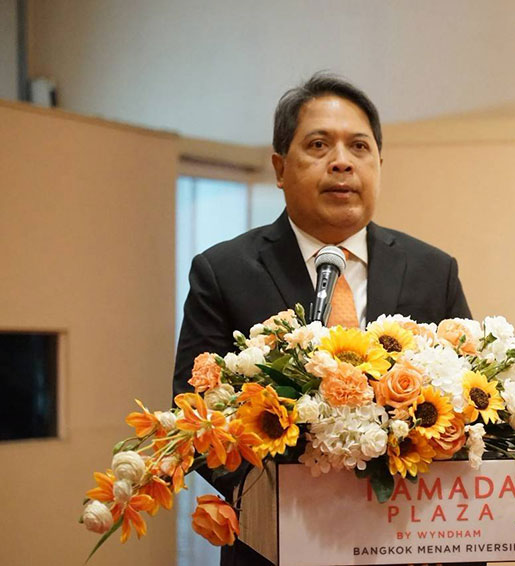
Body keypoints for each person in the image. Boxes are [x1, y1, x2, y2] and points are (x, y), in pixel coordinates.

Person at [173, 72, 472, 565]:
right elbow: (195, 415)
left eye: (359, 147)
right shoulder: (224, 271)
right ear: (279, 168)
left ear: (378, 164)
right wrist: (293, 497)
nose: (342, 161)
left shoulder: (432, 270)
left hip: (407, 542)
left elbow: (468, 403)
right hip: (279, 545)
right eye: (318, 145)